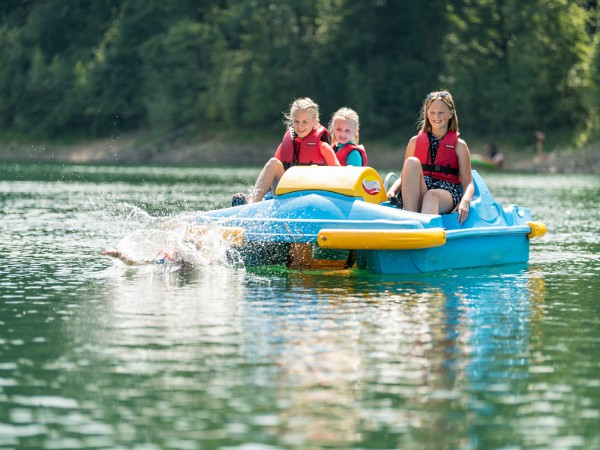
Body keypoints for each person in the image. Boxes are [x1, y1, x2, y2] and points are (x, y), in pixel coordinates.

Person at [386, 90, 474, 225]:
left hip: (446, 192)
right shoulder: (414, 142)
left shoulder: (459, 145)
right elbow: (404, 176)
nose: (436, 116)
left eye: (441, 112)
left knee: (431, 195)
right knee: (411, 162)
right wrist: (392, 191)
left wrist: (465, 202)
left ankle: (425, 232)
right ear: (427, 113)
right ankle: (410, 222)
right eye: (432, 112)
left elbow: (468, 184)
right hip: (421, 189)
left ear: (451, 113)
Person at [232, 97, 340, 206]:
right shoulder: (284, 146)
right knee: (273, 162)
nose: (300, 126)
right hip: (287, 195)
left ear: (315, 122)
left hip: (313, 195)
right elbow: (272, 176)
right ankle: (251, 202)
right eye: (296, 121)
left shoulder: (324, 147)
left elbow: (338, 174)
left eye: (305, 122)